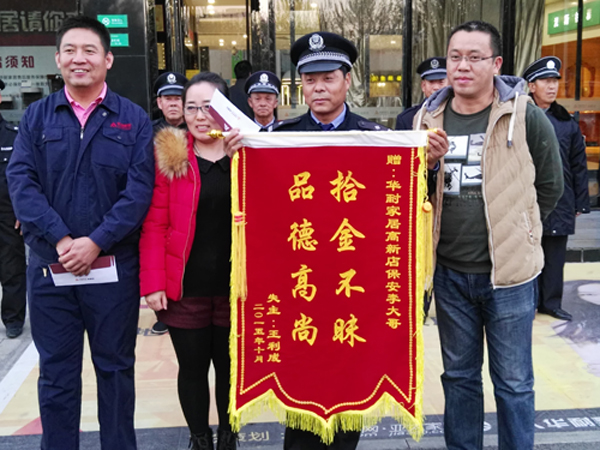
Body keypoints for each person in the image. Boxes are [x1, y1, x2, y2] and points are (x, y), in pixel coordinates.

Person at [6, 16, 154, 450]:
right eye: (70, 50)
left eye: (90, 50)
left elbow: (138, 191)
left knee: (115, 371)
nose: (79, 59)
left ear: (108, 60)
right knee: (56, 375)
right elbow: (22, 183)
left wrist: (97, 242)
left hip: (112, 271)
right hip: (51, 269)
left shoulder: (133, 119)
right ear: (58, 59)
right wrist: (62, 239)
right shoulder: (36, 117)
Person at [415, 21, 563, 450]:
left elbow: (551, 185)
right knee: (459, 378)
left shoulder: (525, 115)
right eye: (455, 57)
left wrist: (523, 231)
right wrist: (427, 165)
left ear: (496, 64)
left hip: (510, 278)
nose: (462, 66)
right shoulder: (426, 118)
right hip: (449, 274)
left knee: (514, 382)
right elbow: (410, 193)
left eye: (474, 57)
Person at [139, 72, 237, 450]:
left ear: (225, 110)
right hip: (185, 289)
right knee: (193, 370)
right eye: (191, 107)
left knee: (231, 371)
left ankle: (228, 436)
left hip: (236, 290)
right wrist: (153, 284)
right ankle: (200, 439)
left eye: (208, 107)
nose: (199, 116)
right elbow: (155, 224)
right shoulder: (172, 156)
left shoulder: (247, 155)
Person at [523, 56, 590, 322]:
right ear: (532, 86)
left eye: (554, 81)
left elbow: (578, 165)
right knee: (526, 252)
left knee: (554, 254)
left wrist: (580, 202)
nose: (552, 87)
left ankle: (551, 303)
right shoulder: (520, 118)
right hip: (527, 198)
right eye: (545, 81)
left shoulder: (567, 122)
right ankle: (527, 302)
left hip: (561, 199)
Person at [150, 71, 189, 335]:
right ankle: (164, 311)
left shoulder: (200, 130)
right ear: (159, 102)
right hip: (158, 205)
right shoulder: (146, 132)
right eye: (168, 98)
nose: (174, 103)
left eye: (178, 98)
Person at [0, 78, 27, 339]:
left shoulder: (13, 135)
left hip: (8, 212)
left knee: (12, 267)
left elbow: (24, 176)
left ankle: (13, 318)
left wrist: (23, 209)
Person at [396, 57, 447, 130]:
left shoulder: (458, 113)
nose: (436, 87)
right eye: (431, 82)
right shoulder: (406, 119)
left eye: (441, 82)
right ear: (423, 86)